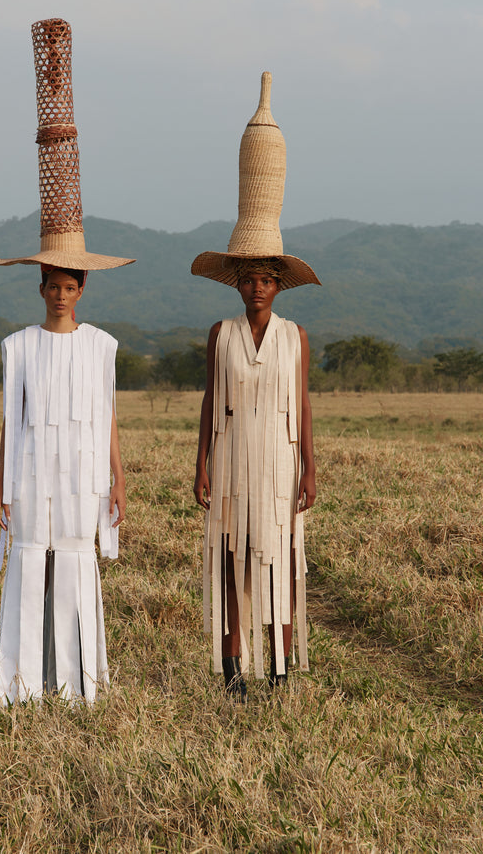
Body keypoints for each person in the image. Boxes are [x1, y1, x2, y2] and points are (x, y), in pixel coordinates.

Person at [0, 17, 135, 704]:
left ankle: (79, 683)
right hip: (33, 470)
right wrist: (0, 483)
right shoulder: (18, 346)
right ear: (39, 284)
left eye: (69, 281)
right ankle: (24, 682)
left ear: (81, 287)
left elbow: (105, 417)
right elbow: (10, 424)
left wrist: (116, 475)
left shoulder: (101, 346)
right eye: (50, 280)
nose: (58, 290)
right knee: (31, 568)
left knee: (74, 565)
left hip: (81, 477)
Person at [190, 72, 320, 697]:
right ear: (237, 283)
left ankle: (281, 666)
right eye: (249, 279)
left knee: (281, 558)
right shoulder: (221, 334)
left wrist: (311, 471)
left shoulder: (295, 337)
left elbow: (303, 405)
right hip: (235, 455)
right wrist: (202, 465)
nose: (257, 287)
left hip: (281, 456)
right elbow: (211, 403)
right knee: (233, 557)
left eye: (266, 278)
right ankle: (234, 668)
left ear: (277, 284)